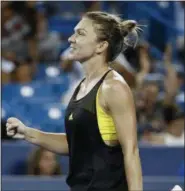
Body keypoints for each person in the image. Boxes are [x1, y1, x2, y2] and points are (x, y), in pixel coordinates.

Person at [6, 11, 143, 191]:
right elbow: (78, 144)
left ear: (101, 46)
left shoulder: (114, 88)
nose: (71, 39)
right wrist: (27, 133)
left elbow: (131, 152)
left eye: (81, 33)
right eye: (74, 32)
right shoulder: (81, 86)